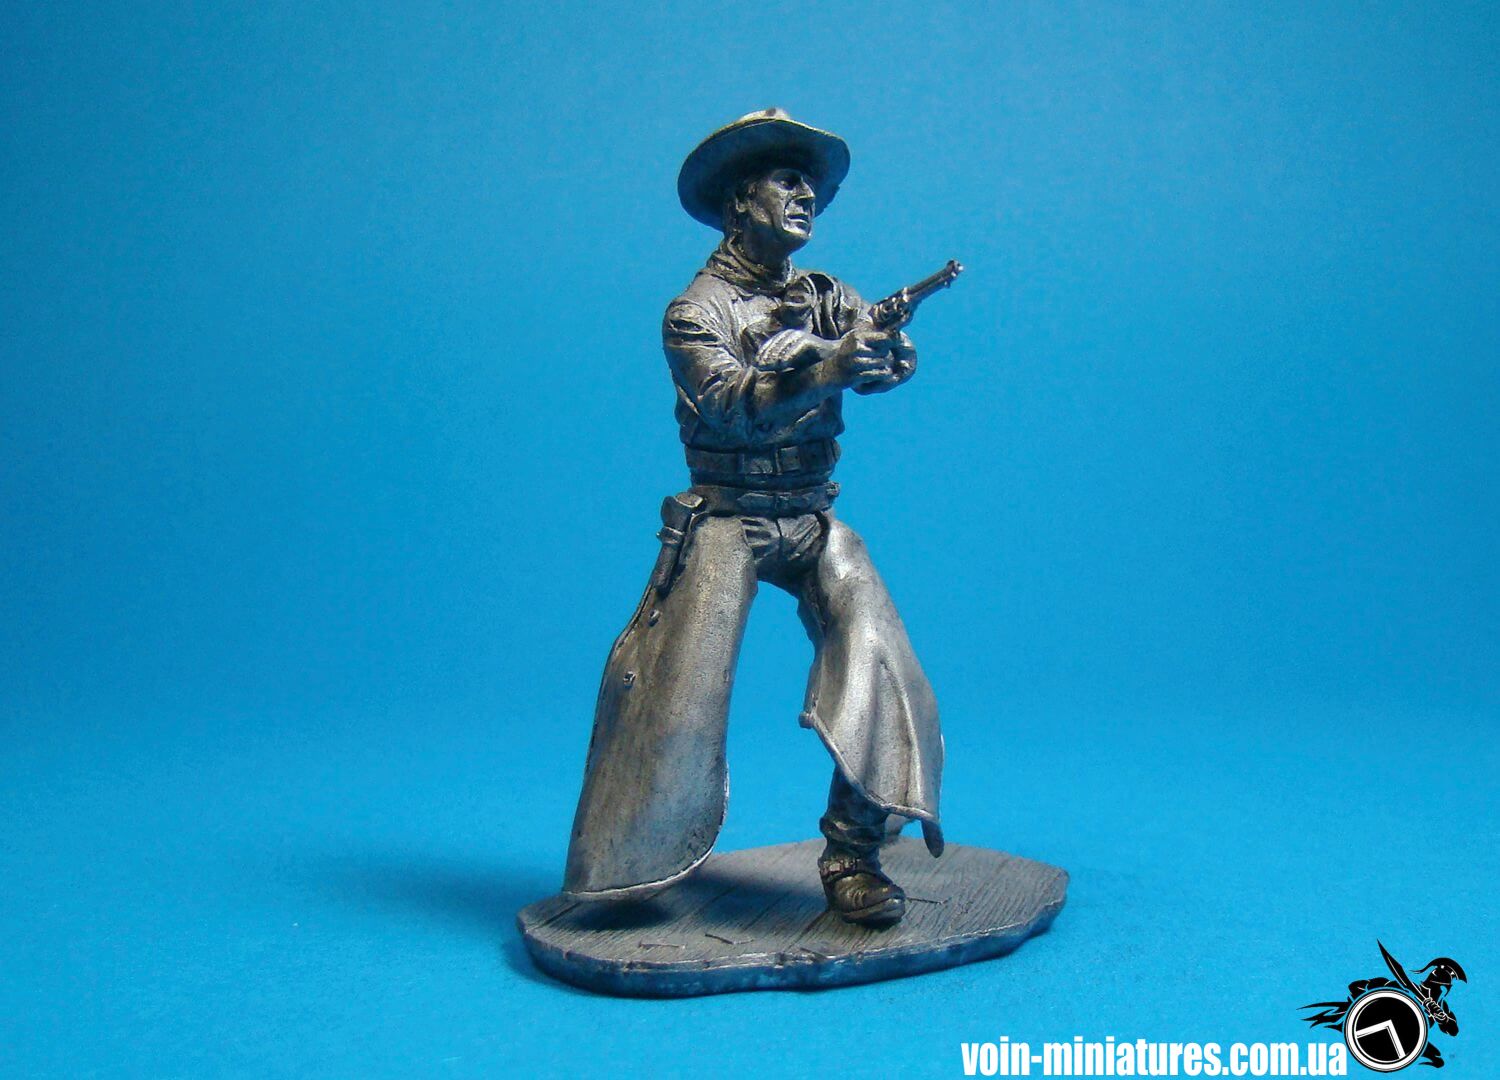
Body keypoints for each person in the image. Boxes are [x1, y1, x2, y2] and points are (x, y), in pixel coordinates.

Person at [564, 110, 943, 927]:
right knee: (676, 696)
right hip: (727, 520)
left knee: (881, 660)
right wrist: (827, 370)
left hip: (811, 514)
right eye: (787, 181)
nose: (806, 196)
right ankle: (634, 865)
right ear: (742, 200)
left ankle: (854, 852)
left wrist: (886, 355)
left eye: (811, 185)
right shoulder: (694, 311)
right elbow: (730, 404)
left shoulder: (827, 295)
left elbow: (875, 360)